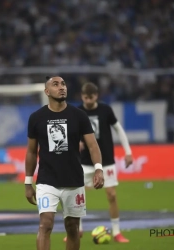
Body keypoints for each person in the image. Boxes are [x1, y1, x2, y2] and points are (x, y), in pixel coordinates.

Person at [24, 76, 104, 250]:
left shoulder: (79, 116)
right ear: (47, 91)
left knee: (73, 228)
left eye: (63, 84)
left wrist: (98, 169)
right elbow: (31, 152)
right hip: (47, 181)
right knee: (45, 224)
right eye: (55, 84)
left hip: (73, 180)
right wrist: (28, 182)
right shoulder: (36, 118)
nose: (61, 87)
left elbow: (92, 145)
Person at [69, 82, 133, 243]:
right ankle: (79, 229)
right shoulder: (77, 112)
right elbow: (70, 134)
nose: (88, 101)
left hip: (106, 161)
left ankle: (117, 232)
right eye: (85, 97)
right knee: (77, 196)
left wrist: (128, 152)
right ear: (82, 96)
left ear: (96, 96)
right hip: (83, 161)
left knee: (111, 194)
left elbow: (119, 129)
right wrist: (76, 141)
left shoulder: (105, 110)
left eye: (91, 97)